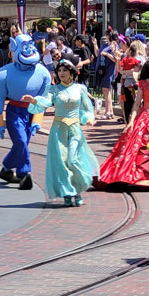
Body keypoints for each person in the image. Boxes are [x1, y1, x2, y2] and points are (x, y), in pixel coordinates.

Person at [23, 60, 99, 206]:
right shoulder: (53, 90)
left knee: (73, 159)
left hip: (75, 128)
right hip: (59, 129)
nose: (61, 73)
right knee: (61, 162)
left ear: (72, 72)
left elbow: (86, 109)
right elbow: (45, 103)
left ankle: (76, 189)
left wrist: (88, 119)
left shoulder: (80, 89)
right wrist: (33, 101)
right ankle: (67, 192)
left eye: (65, 70)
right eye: (59, 70)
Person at [97, 58, 149, 188]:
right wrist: (131, 122)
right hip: (145, 117)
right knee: (135, 142)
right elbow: (136, 104)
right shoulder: (143, 84)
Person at [0, 34, 51, 190]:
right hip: (14, 112)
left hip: (31, 111)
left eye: (31, 45)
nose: (29, 49)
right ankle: (25, 174)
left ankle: (6, 169)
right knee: (21, 142)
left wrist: (37, 120)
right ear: (14, 48)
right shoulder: (2, 75)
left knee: (21, 145)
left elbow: (42, 101)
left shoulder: (43, 73)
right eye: (24, 46)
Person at [96, 32, 119, 120]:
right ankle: (111, 111)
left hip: (108, 69)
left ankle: (108, 111)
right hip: (102, 69)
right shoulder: (105, 45)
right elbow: (98, 53)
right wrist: (95, 44)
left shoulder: (114, 45)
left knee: (107, 90)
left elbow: (115, 59)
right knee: (105, 90)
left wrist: (106, 54)